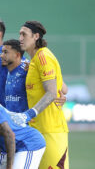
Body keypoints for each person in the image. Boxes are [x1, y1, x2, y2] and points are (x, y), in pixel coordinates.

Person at [18, 21, 69, 169]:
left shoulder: (43, 57)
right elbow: (63, 89)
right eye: (19, 34)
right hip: (38, 132)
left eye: (24, 34)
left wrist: (29, 114)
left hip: (51, 131)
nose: (20, 38)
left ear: (36, 36)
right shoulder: (35, 61)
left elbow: (53, 92)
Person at [0, 39, 28, 113]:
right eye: (2, 52)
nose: (1, 55)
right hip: (12, 122)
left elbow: (57, 85)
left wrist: (61, 96)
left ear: (17, 55)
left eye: (5, 52)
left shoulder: (27, 70)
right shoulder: (9, 71)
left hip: (26, 123)